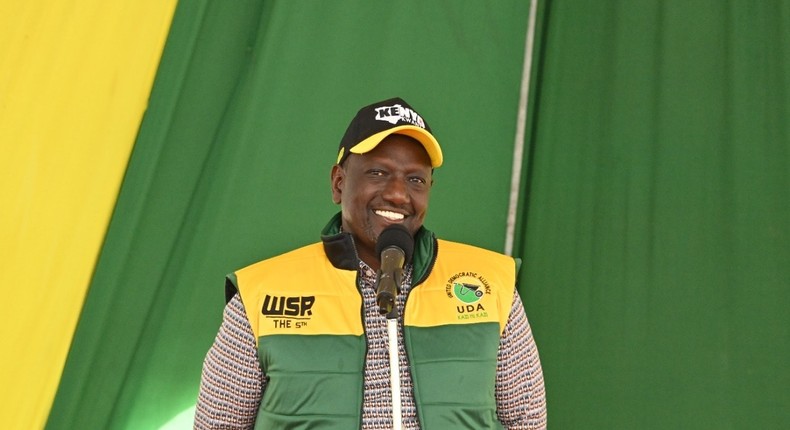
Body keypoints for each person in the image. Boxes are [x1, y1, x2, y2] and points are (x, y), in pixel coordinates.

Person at [194, 97, 547, 429]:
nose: (397, 193)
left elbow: (527, 422)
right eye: (378, 173)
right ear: (338, 183)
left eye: (415, 179)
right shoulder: (260, 296)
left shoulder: (491, 285)